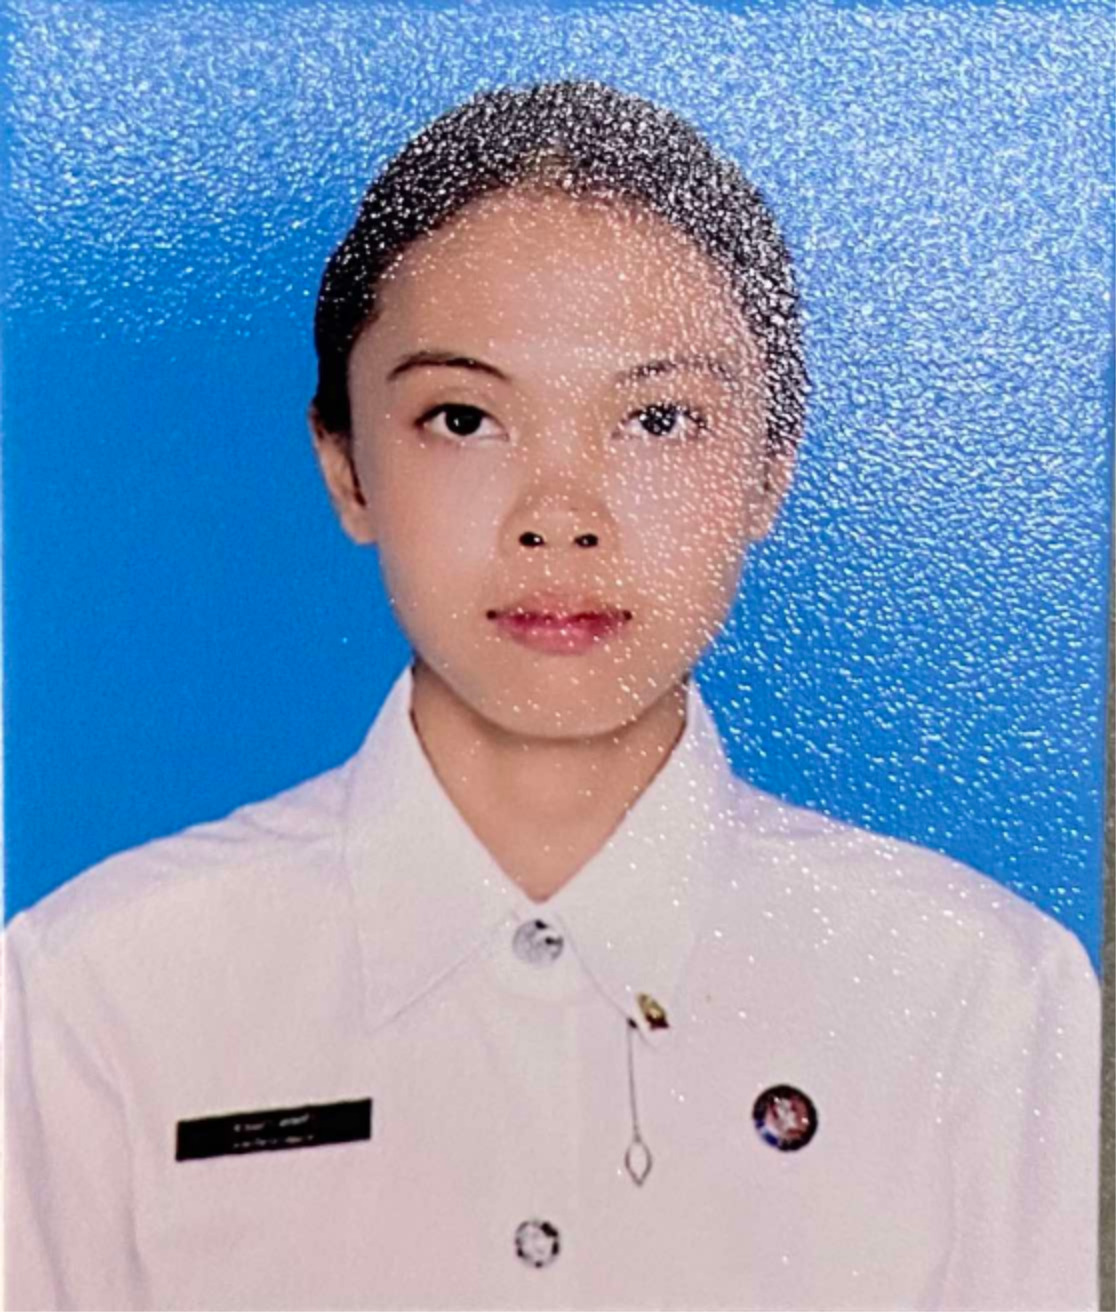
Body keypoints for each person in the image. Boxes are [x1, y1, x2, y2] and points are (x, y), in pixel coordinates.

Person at [4, 79, 1100, 1311]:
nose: (560, 519)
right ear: (346, 465)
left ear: (770, 472)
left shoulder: (976, 998)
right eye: (465, 417)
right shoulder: (98, 993)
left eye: (659, 419)